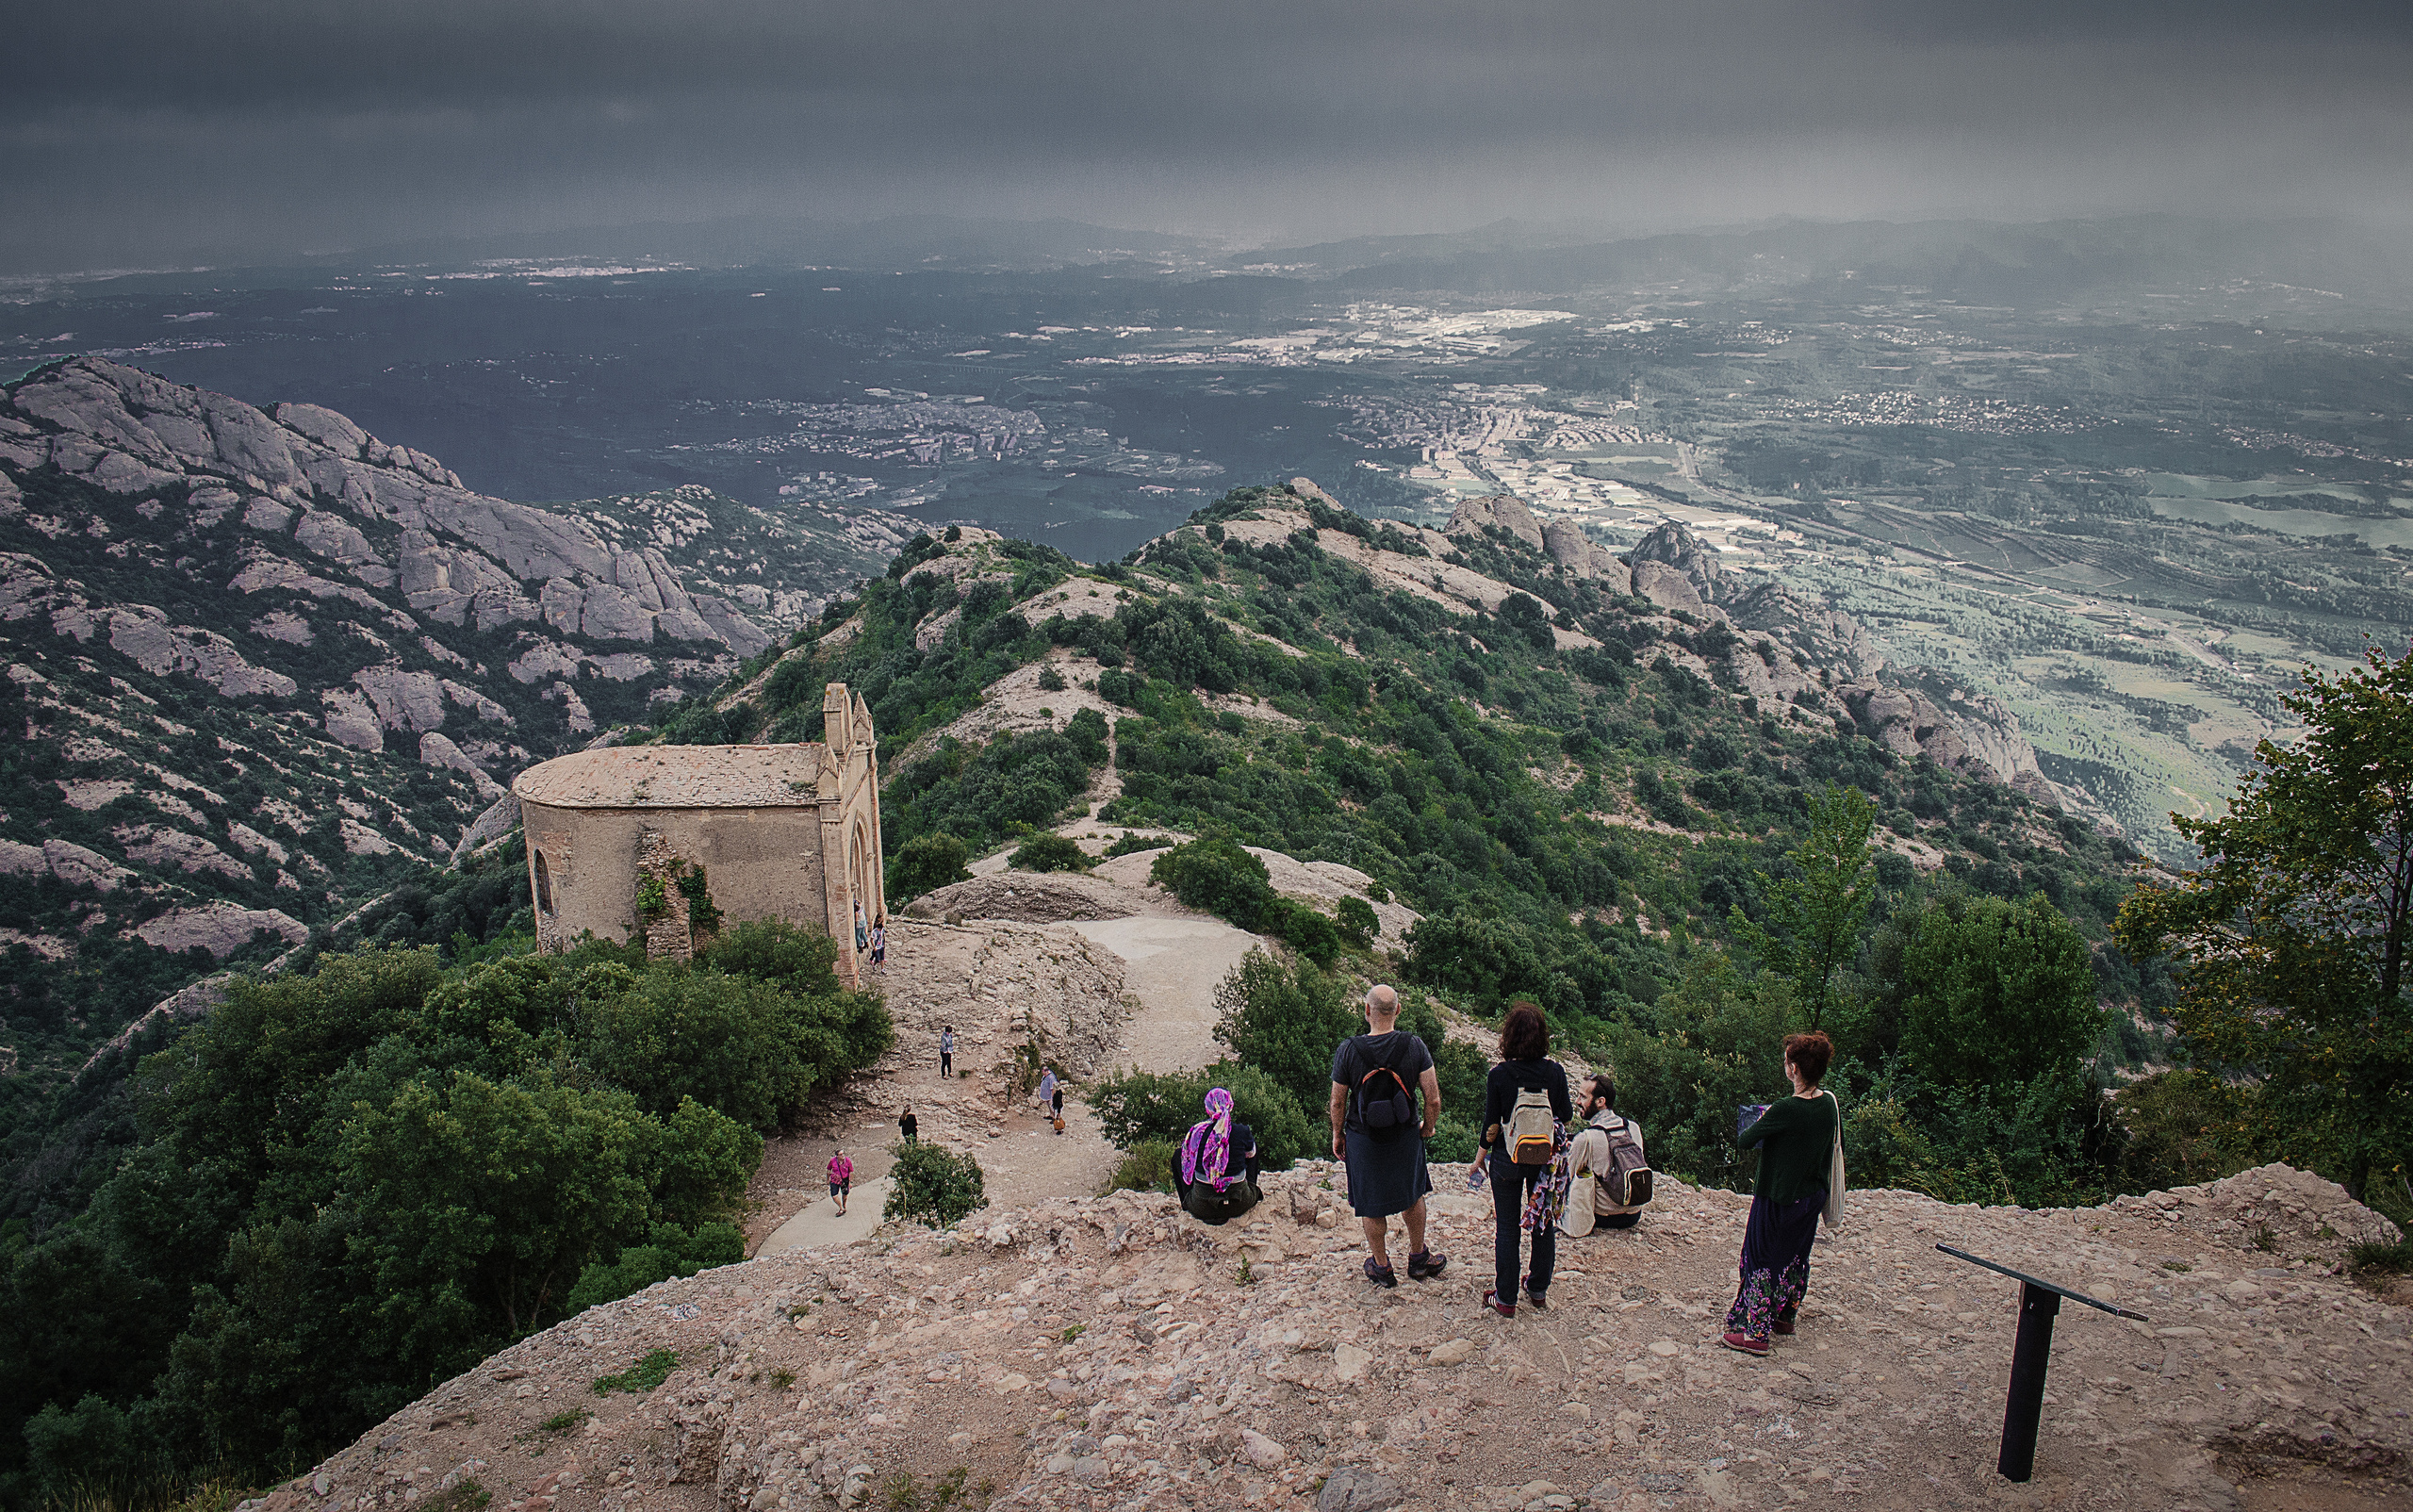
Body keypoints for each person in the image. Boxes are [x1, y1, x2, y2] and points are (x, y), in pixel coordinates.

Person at [1722, 1030, 1840, 1356]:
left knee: (1760, 1258)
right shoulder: (1829, 1102)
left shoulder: (1785, 1109)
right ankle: (1786, 1315)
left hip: (1779, 1197)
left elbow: (1746, 1139)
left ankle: (1755, 1333)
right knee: (1795, 1256)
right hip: (1811, 1194)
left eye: (1787, 1060)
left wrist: (1768, 1114)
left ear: (1794, 1070)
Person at [1327, 984, 1447, 1289]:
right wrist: (1427, 1127)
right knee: (1412, 1193)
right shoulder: (1414, 1045)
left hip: (1363, 1138)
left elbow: (1338, 1101)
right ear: (1398, 1010)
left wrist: (1337, 1134)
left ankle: (1381, 1266)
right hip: (1405, 1134)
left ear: (1367, 1011)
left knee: (1371, 1203)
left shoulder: (1348, 1050)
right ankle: (1418, 1257)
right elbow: (1433, 1098)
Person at [1468, 1002, 1572, 1318]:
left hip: (1506, 1158)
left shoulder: (1499, 1075)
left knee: (1508, 1228)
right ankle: (1538, 1289)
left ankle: (1506, 1298)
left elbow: (1490, 1124)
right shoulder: (1555, 1072)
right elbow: (1565, 1114)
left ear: (1508, 1036)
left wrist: (1478, 1160)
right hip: (1543, 1160)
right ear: (1542, 1036)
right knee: (1542, 1221)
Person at [1562, 1073, 1650, 1237]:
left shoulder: (1587, 1138)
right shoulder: (1633, 1127)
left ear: (1600, 1102)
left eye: (1583, 1097)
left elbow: (1566, 1176)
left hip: (1604, 1217)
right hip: (1633, 1214)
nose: (1578, 1102)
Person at [1174, 1086, 1261, 1224]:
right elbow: (1250, 1155)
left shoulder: (1196, 1133)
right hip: (1239, 1204)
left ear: (1208, 1108)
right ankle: (1250, 1188)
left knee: (1180, 1155)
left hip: (1201, 1207)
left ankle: (1187, 1201)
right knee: (1252, 1150)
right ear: (1230, 1105)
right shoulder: (1242, 1131)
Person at [827, 1148, 854, 1216]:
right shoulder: (832, 1161)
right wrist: (828, 1179)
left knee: (845, 1194)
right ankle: (841, 1208)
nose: (842, 1156)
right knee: (834, 1196)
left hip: (845, 1179)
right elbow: (828, 1170)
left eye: (843, 1154)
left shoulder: (847, 1160)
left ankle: (844, 1206)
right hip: (835, 1179)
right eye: (840, 1154)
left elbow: (851, 1171)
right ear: (837, 1156)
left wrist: (850, 1182)